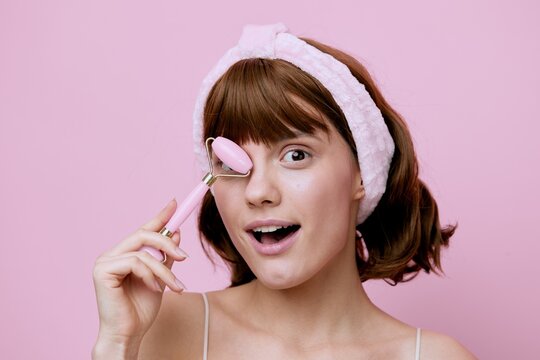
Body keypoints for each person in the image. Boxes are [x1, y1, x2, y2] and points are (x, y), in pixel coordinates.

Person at [92, 23, 476, 359]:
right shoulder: (162, 329)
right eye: (235, 162)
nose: (257, 191)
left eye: (295, 155)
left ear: (364, 172)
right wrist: (117, 346)